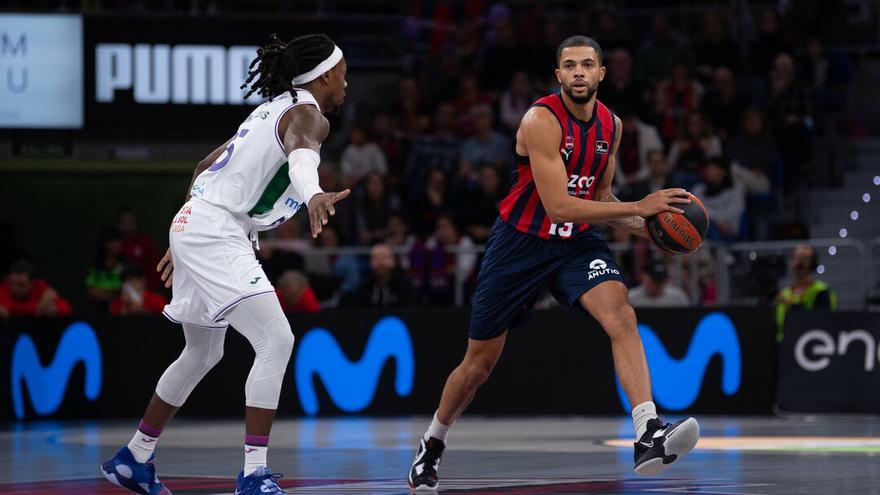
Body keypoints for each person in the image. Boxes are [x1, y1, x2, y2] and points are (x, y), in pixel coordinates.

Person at [407, 36, 700, 490]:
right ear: (558, 75)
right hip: (520, 246)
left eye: (587, 64)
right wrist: (639, 208)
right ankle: (433, 442)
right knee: (478, 365)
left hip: (575, 245)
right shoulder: (540, 120)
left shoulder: (612, 126)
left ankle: (647, 432)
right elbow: (561, 206)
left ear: (602, 73)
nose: (579, 72)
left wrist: (654, 232)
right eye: (570, 65)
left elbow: (602, 199)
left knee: (622, 314)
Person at [100, 34, 350, 495]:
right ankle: (254, 474)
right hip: (215, 230)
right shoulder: (307, 115)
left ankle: (135, 457)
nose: (347, 84)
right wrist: (312, 192)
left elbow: (203, 166)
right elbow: (301, 158)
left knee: (202, 352)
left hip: (201, 222)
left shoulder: (269, 109)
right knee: (277, 339)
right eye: (343, 74)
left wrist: (184, 233)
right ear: (325, 75)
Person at [775, 244, 837, 342]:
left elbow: (822, 320)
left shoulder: (821, 291)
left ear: (813, 263)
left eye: (804, 259)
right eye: (797, 258)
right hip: (783, 346)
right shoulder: (783, 294)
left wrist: (793, 307)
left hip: (810, 345)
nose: (799, 262)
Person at [0, 259, 72, 319]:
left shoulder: (41, 290)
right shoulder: (4, 288)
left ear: (32, 283)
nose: (15, 288)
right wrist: (36, 310)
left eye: (21, 285)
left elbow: (66, 308)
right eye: (12, 283)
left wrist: (54, 310)